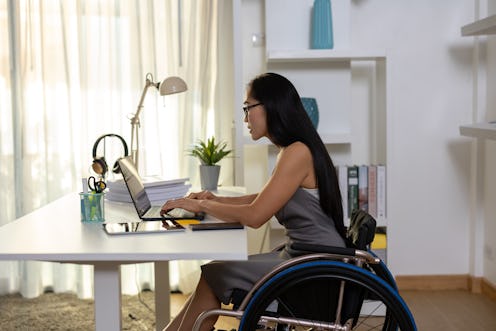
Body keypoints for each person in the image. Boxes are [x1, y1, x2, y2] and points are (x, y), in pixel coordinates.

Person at [160, 72, 347, 331]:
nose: (246, 118)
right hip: (303, 258)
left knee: (214, 274)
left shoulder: (297, 152)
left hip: (314, 270)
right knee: (212, 274)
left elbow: (256, 216)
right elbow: (264, 199)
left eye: (248, 108)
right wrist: (215, 198)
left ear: (271, 106)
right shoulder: (293, 149)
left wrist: (201, 206)